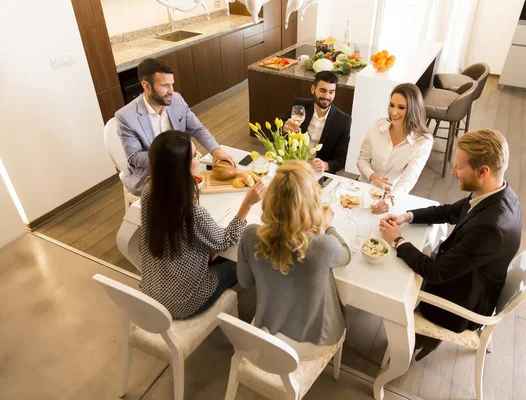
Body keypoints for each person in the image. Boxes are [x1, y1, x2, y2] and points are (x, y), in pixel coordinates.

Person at [379, 129, 522, 360]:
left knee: (388, 280)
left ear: (483, 171)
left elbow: (435, 273)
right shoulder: (499, 192)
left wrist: (397, 240)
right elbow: (450, 211)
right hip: (472, 277)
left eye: (459, 167)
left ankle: (402, 349)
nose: (453, 171)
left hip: (458, 306)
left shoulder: (490, 228)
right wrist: (407, 216)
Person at [140, 130, 264, 319]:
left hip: (151, 289)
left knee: (219, 253)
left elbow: (177, 233)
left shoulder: (149, 189)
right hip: (183, 302)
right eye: (195, 155)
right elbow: (226, 239)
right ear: (180, 166)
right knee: (242, 262)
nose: (200, 156)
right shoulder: (192, 212)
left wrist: (205, 247)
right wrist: (247, 204)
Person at [237, 160, 351, 357]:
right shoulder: (324, 245)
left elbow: (245, 282)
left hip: (268, 331)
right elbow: (346, 254)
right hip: (315, 342)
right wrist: (326, 227)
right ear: (312, 203)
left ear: (270, 199)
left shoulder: (249, 235)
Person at [116, 58, 236, 196]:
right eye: (165, 86)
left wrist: (216, 150)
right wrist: (177, 157)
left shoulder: (176, 99)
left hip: (183, 168)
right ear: (146, 86)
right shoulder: (125, 116)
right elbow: (134, 158)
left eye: (172, 84)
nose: (172, 91)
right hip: (152, 176)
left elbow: (197, 129)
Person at [357, 83, 433, 214]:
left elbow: (408, 179)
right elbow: (362, 160)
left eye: (401, 107)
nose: (394, 112)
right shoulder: (377, 126)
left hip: (392, 196)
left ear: (413, 109)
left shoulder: (423, 141)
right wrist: (374, 178)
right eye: (392, 105)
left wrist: (390, 200)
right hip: (364, 188)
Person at [282, 71, 352, 174]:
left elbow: (340, 160)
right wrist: (284, 127)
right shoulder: (299, 106)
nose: (327, 96)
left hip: (317, 172)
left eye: (331, 92)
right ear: (313, 89)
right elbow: (276, 127)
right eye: (323, 90)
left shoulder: (343, 120)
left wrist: (325, 165)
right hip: (294, 165)